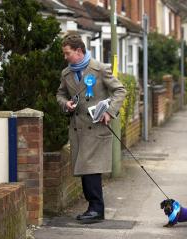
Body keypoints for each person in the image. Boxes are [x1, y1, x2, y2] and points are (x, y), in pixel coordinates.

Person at [56, 33, 126, 222]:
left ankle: (96, 209)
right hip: (78, 129)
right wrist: (66, 104)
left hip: (96, 128)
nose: (65, 57)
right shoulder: (66, 73)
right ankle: (93, 208)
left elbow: (120, 90)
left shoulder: (100, 69)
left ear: (79, 51)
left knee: (91, 169)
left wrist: (109, 112)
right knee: (86, 170)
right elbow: (60, 95)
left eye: (67, 53)